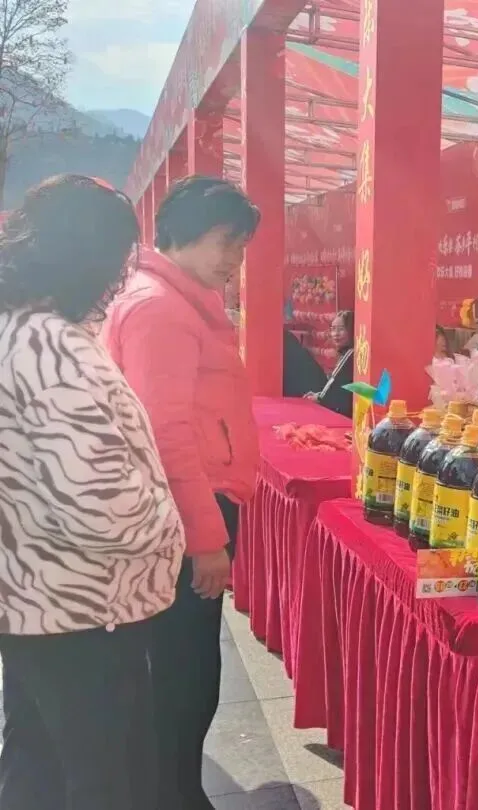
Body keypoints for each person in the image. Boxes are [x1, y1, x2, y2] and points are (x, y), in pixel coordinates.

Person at [0, 175, 185, 809]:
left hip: (35, 597)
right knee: (103, 777)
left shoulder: (16, 328)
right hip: (84, 607)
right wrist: (165, 524)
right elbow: (99, 501)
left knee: (37, 761)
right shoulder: (50, 345)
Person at [100, 175, 261, 810]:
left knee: (182, 669)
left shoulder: (172, 299)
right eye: (226, 241)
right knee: (184, 673)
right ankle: (172, 794)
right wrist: (206, 538)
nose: (235, 260)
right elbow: (164, 434)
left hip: (189, 504)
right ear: (182, 234)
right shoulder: (161, 309)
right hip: (187, 510)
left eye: (241, 246)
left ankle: (173, 788)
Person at [306, 309, 354, 416]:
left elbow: (334, 381)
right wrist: (319, 394)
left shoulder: (350, 353)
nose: (335, 334)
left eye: (341, 329)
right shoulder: (345, 353)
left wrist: (319, 397)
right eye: (333, 329)